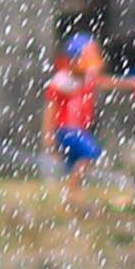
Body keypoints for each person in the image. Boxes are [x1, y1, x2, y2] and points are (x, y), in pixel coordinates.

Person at [43, 32, 113, 201]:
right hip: (67, 130)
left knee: (76, 165)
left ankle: (72, 198)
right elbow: (50, 110)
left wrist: (133, 83)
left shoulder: (88, 79)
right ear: (72, 61)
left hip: (80, 129)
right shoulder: (61, 82)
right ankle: (71, 193)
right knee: (91, 153)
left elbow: (108, 82)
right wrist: (48, 137)